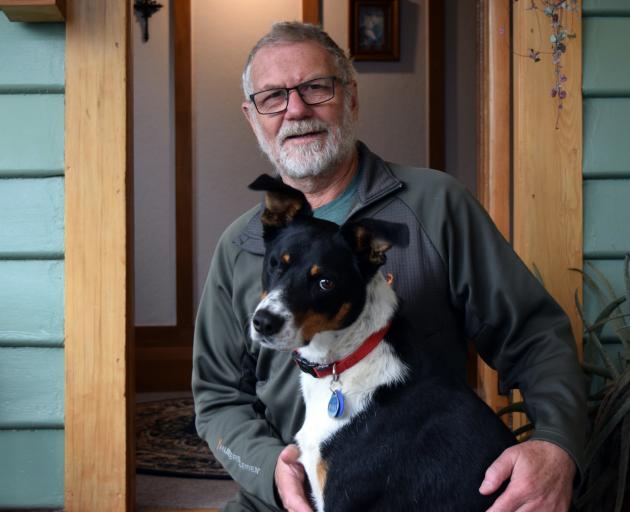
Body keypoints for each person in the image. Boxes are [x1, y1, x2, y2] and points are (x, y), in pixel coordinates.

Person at [192, 22, 586, 512]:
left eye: (316, 87)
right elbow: (216, 396)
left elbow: (534, 336)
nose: (296, 109)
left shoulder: (437, 205)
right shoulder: (239, 246)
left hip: (414, 492)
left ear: (350, 97)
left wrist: (556, 445)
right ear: (253, 117)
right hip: (286, 498)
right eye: (273, 96)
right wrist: (271, 472)